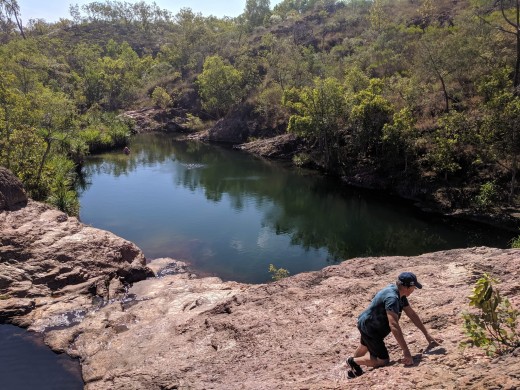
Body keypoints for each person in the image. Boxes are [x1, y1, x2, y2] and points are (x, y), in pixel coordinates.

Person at [346, 272, 441, 379]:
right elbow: (394, 325)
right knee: (383, 360)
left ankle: (353, 367)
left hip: (367, 323)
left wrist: (427, 334)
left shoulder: (400, 294)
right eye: (413, 287)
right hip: (371, 328)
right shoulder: (393, 298)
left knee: (365, 345)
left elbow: (412, 314)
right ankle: (353, 361)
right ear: (406, 287)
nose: (414, 289)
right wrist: (406, 351)